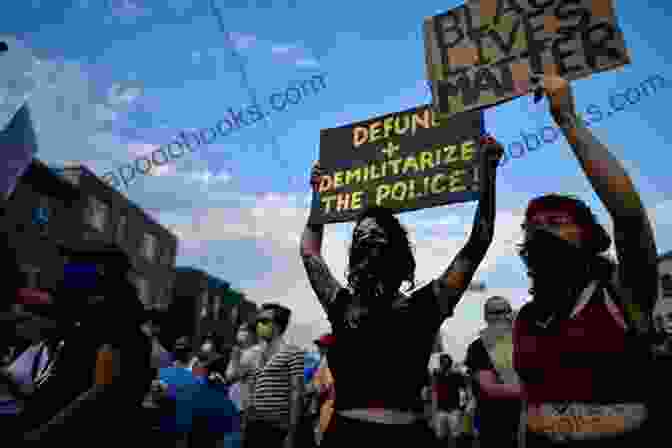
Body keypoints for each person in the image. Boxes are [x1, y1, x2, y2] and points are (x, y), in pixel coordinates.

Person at [300, 136, 503, 446]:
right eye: (361, 237)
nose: (369, 240)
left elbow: (479, 241)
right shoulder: (342, 305)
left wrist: (488, 171)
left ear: (396, 252)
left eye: (378, 236)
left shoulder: (427, 304)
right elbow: (310, 253)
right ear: (355, 255)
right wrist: (319, 196)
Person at [512, 75, 658, 447]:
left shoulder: (620, 293)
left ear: (588, 235)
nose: (542, 230)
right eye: (534, 226)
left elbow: (629, 217)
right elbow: (529, 402)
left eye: (557, 223)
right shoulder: (528, 318)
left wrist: (568, 121)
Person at [20, 243, 155, 445]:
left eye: (74, 265)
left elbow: (98, 395)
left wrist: (38, 434)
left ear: (101, 272)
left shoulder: (118, 324)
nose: (66, 271)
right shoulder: (88, 320)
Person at [244, 303, 305, 448]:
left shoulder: (293, 353)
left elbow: (296, 394)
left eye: (264, 321)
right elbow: (251, 389)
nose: (259, 325)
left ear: (277, 326)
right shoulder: (256, 354)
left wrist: (291, 433)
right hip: (253, 425)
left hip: (277, 427)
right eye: (258, 321)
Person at [465, 296, 521, 448]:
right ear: (485, 317)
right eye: (494, 312)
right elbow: (491, 388)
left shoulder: (521, 342)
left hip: (523, 423)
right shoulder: (478, 347)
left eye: (505, 311)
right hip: (492, 424)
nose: (500, 316)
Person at [226, 321, 263, 442]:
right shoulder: (245, 352)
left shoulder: (252, 352)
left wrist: (234, 358)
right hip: (241, 405)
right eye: (240, 330)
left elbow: (232, 375)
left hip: (244, 407)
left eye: (243, 330)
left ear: (252, 334)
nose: (240, 333)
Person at [431, 354, 467, 448]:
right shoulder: (437, 375)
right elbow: (435, 391)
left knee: (456, 436)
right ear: (440, 363)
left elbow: (463, 391)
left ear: (450, 363)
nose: (444, 364)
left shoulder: (457, 375)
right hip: (440, 410)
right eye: (442, 362)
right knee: (441, 436)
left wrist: (461, 407)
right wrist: (434, 410)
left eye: (446, 362)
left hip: (454, 410)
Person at [310, 334, 336, 446]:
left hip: (327, 408)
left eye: (322, 346)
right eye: (319, 345)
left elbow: (323, 389)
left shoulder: (326, 362)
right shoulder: (323, 362)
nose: (319, 348)